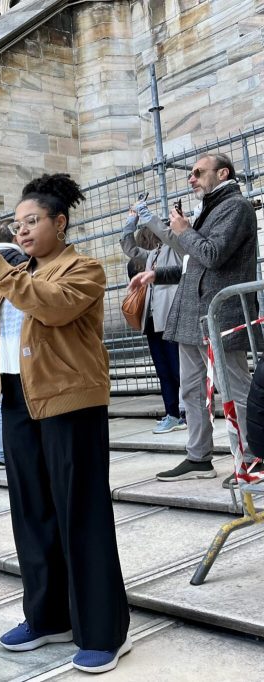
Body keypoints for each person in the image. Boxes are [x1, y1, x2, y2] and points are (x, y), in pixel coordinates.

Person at [0, 174, 130, 674]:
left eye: (32, 221)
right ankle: (48, 616)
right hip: (14, 399)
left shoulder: (84, 269)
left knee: (81, 512)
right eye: (18, 224)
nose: (24, 230)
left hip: (69, 402)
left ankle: (103, 630)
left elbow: (52, 308)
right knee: (31, 512)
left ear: (60, 222)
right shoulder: (17, 275)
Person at [132, 154, 259, 487]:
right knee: (190, 391)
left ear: (223, 173)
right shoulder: (211, 208)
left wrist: (184, 231)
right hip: (192, 315)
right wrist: (156, 274)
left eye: (198, 173)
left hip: (220, 315)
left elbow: (212, 255)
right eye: (191, 174)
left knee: (235, 390)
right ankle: (199, 457)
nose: (192, 178)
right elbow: (195, 265)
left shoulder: (236, 207)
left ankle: (252, 458)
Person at [120, 204, 184, 435]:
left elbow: (168, 236)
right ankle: (172, 414)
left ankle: (185, 412)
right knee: (163, 371)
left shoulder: (176, 248)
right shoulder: (153, 255)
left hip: (171, 318)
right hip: (152, 321)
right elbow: (130, 247)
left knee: (178, 369)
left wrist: (147, 216)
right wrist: (131, 220)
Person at [0, 221, 29, 469]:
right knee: (1, 399)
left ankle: (2, 454)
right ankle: (4, 453)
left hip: (3, 342)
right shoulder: (14, 260)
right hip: (7, 343)